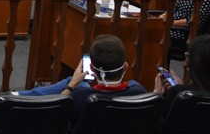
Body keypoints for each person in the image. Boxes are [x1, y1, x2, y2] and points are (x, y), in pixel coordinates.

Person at [15, 33, 146, 121]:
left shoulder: (80, 96)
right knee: (81, 84)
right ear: (125, 66)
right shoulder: (138, 91)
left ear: (92, 69)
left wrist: (71, 85)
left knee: (72, 82)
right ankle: (19, 95)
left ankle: (18, 97)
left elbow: (55, 113)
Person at [155, 33, 210, 100]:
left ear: (196, 63)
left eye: (188, 56)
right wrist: (182, 87)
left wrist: (157, 94)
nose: (185, 63)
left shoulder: (179, 94)